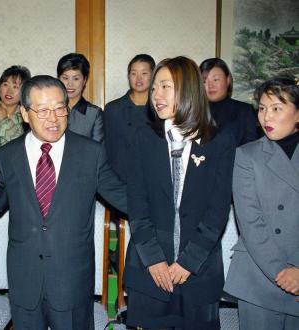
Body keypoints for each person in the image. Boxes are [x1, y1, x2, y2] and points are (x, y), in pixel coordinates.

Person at [0, 75, 126, 329]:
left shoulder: (90, 153)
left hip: (71, 280)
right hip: (25, 279)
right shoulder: (8, 155)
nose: (53, 118)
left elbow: (123, 197)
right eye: (43, 110)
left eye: (60, 108)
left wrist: (167, 208)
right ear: (25, 114)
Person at [124, 56, 236, 329]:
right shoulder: (143, 139)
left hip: (199, 270)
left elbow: (218, 209)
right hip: (149, 269)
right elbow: (137, 206)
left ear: (188, 90)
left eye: (165, 87)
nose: (156, 96)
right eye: (154, 89)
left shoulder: (219, 142)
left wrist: (189, 262)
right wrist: (154, 260)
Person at [224, 76, 299, 330]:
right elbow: (250, 223)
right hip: (259, 277)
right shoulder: (246, 156)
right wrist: (282, 272)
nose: (266, 117)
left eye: (277, 108)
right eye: (263, 108)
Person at [104, 54, 155, 182]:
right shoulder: (113, 109)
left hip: (153, 180)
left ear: (153, 75)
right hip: (122, 181)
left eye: (144, 73)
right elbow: (109, 150)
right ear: (128, 76)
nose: (138, 78)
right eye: (133, 73)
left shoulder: (161, 110)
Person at [200, 57, 259, 146]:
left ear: (228, 80)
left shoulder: (244, 111)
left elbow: (251, 148)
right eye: (204, 81)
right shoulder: (194, 111)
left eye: (216, 80)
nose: (210, 85)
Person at [57, 53, 104, 142]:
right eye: (65, 78)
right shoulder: (49, 110)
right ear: (58, 79)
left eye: (76, 79)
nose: (70, 84)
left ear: (84, 80)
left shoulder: (94, 114)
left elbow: (97, 150)